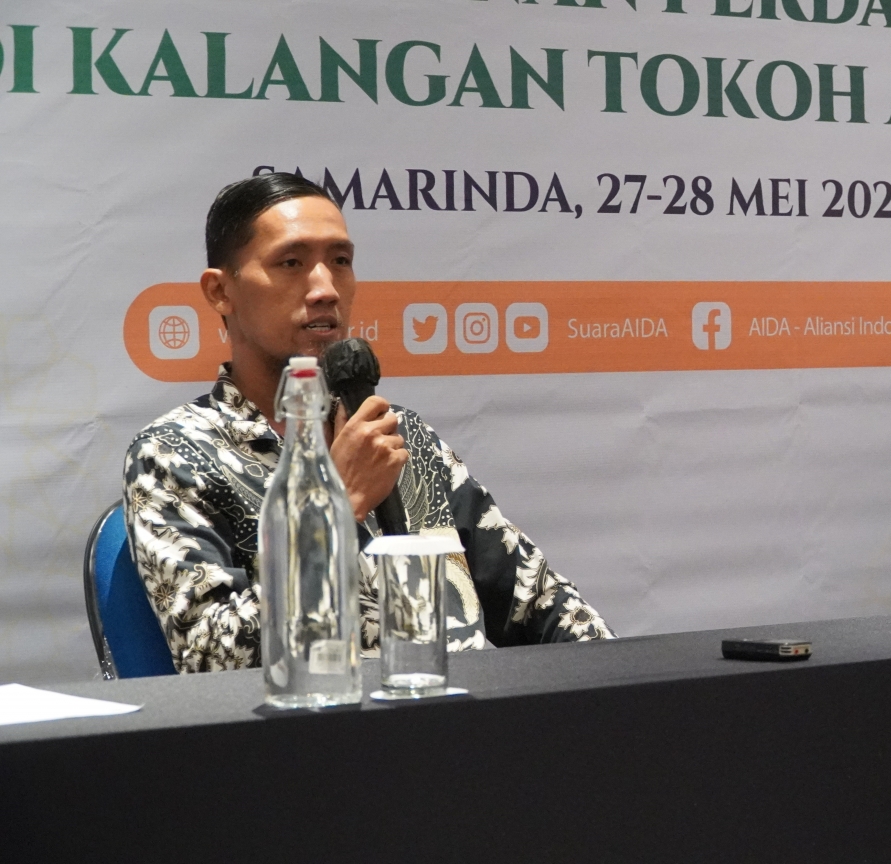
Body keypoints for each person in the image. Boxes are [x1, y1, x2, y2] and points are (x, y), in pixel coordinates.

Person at [123, 173, 613, 673]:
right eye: (291, 263)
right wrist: (337, 507)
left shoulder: (402, 436)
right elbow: (210, 658)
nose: (325, 289)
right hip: (327, 716)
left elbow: (537, 600)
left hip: (469, 707)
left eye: (340, 261)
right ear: (220, 292)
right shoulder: (176, 455)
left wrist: (622, 678)